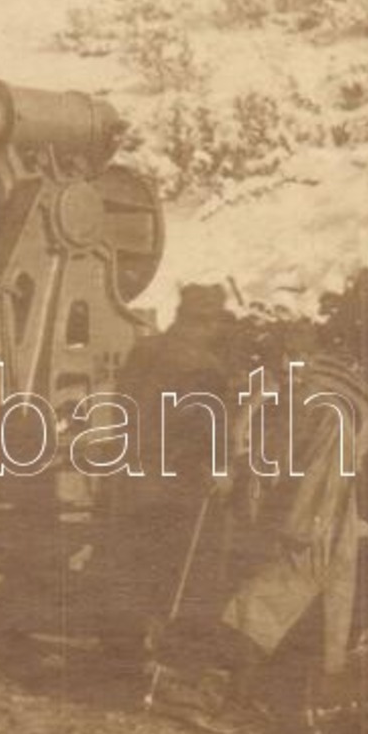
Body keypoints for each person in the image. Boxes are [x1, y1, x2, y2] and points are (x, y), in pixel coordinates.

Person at [95, 283, 237, 664]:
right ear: (208, 323)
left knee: (131, 565)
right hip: (176, 485)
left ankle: (124, 653)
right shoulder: (205, 367)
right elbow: (213, 427)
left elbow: (120, 409)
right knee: (184, 568)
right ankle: (173, 656)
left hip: (132, 478)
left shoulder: (143, 350)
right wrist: (221, 468)